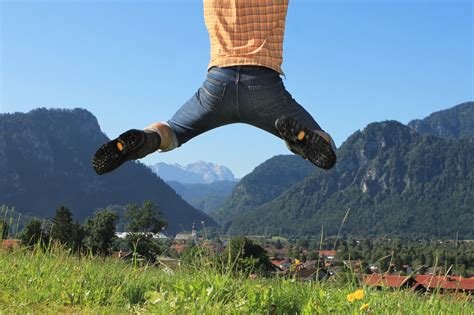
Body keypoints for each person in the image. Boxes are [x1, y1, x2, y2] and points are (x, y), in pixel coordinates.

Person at [93, 0, 336, 175]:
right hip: (265, 85)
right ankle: (299, 141)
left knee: (172, 131)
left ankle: (148, 139)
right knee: (323, 142)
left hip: (218, 85)